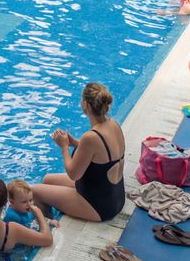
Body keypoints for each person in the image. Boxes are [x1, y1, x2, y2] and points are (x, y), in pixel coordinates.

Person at [31, 82, 125, 222]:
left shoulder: (91, 137)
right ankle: (50, 216)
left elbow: (73, 174)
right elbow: (100, 154)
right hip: (115, 197)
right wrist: (74, 142)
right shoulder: (113, 124)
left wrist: (63, 147)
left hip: (99, 207)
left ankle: (47, 226)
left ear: (86, 105)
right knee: (47, 179)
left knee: (35, 191)